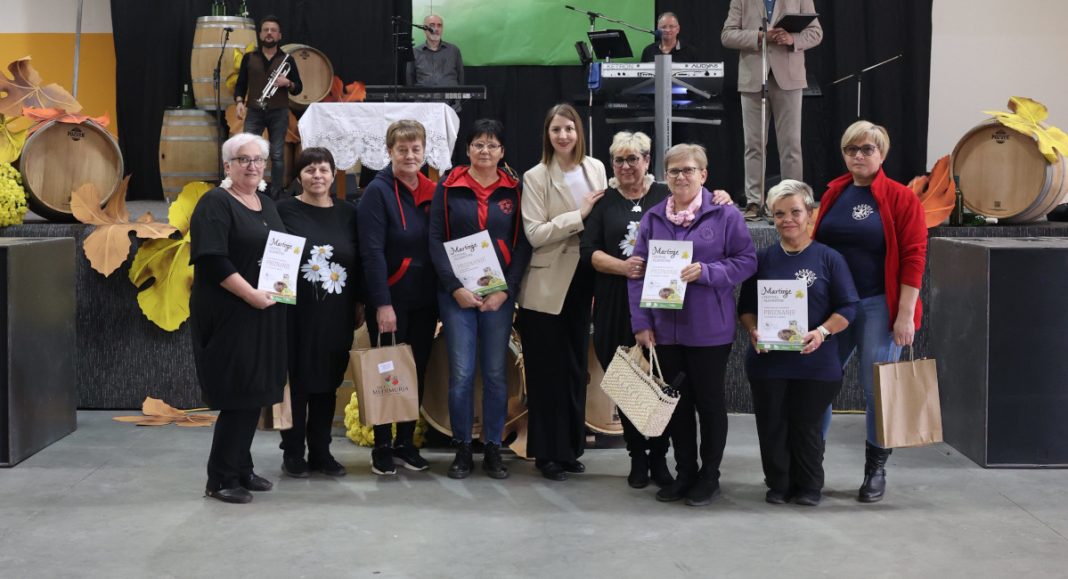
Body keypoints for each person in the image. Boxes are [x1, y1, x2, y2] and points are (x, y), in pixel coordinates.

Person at [580, 131, 733, 489]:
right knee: (630, 385)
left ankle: (663, 458)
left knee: (666, 388)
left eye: (634, 158)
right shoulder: (604, 202)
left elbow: (702, 199)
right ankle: (638, 457)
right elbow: (588, 252)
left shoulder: (666, 195)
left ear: (648, 161)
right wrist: (624, 268)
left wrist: (722, 196)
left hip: (668, 310)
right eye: (619, 159)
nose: (626, 166)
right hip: (619, 303)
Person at [629, 143, 757, 506]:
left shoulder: (725, 214)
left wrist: (708, 272)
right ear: (665, 176)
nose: (681, 176)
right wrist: (641, 322)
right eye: (674, 171)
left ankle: (709, 476)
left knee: (710, 404)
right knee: (676, 406)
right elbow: (637, 273)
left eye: (688, 170)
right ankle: (685, 473)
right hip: (665, 331)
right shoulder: (653, 218)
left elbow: (747, 261)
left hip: (709, 330)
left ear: (703, 174)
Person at [812, 121, 927, 503]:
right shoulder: (834, 192)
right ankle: (811, 466)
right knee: (819, 382)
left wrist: (905, 315)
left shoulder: (901, 198)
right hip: (836, 307)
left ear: (882, 153)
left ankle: (875, 469)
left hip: (879, 304)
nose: (858, 156)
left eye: (867, 149)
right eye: (851, 149)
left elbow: (914, 257)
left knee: (877, 389)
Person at [738, 179, 858, 506]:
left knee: (806, 426)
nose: (787, 219)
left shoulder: (829, 258)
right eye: (779, 214)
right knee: (772, 425)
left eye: (795, 212)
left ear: (810, 214)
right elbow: (745, 308)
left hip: (816, 362)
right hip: (768, 361)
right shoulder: (762, 259)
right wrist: (753, 330)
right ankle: (778, 483)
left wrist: (822, 332)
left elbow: (849, 307)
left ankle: (809, 486)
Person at [428, 119, 531, 480]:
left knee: (495, 373)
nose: (484, 151)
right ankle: (461, 447)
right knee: (461, 373)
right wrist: (455, 287)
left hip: (497, 296)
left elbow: (522, 244)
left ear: (502, 152)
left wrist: (506, 291)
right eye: (478, 144)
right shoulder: (448, 186)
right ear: (468, 149)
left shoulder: (514, 189)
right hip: (456, 295)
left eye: (492, 145)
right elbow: (436, 239)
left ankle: (492, 447)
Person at [189, 133, 286, 504]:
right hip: (231, 311)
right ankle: (221, 478)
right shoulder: (215, 203)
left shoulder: (265, 202)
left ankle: (242, 468)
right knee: (239, 393)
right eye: (243, 159)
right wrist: (250, 295)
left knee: (255, 391)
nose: (252, 166)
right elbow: (213, 261)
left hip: (263, 309)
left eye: (258, 159)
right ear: (227, 165)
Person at [517, 104, 606, 481]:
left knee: (575, 370)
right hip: (546, 286)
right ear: (547, 135)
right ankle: (546, 453)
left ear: (578, 131)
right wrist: (578, 215)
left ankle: (570, 449)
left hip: (585, 280)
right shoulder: (535, 176)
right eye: (556, 129)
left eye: (569, 128)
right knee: (546, 373)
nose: (563, 135)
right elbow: (535, 233)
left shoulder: (596, 168)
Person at [358, 120, 439, 476]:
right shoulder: (377, 193)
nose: (409, 155)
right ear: (389, 151)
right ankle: (382, 446)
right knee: (386, 373)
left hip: (425, 299)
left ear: (424, 151)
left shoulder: (433, 190)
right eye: (402, 149)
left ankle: (406, 443)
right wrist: (383, 304)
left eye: (415, 149)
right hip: (391, 300)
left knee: (415, 371)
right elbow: (372, 252)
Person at [275, 148, 362, 479]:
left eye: (323, 169)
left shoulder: (347, 212)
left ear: (333, 174)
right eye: (309, 170)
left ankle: (321, 451)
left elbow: (359, 259)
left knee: (328, 381)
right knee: (297, 383)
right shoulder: (284, 209)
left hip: (337, 312)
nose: (317, 176)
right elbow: (274, 258)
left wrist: (361, 301)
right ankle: (293, 451)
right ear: (299, 177)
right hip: (295, 312)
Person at [721, 0, 822, 220]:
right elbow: (727, 35)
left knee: (791, 145)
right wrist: (760, 36)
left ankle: (792, 201)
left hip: (789, 78)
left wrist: (792, 39)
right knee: (754, 145)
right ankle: (754, 201)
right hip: (753, 78)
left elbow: (815, 33)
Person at [234, 15, 303, 200]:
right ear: (260, 34)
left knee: (277, 154)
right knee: (249, 153)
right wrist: (239, 102)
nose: (269, 33)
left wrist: (288, 83)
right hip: (254, 111)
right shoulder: (249, 57)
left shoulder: (287, 59)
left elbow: (299, 87)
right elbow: (241, 84)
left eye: (273, 30)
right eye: (266, 30)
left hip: (279, 111)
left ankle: (276, 195)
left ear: (279, 35)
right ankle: (249, 190)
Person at [406, 14, 464, 87]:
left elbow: (460, 76)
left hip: (450, 94)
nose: (436, 29)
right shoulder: (414, 52)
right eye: (432, 25)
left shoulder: (454, 50)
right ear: (424, 29)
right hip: (424, 94)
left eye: (439, 25)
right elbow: (410, 79)